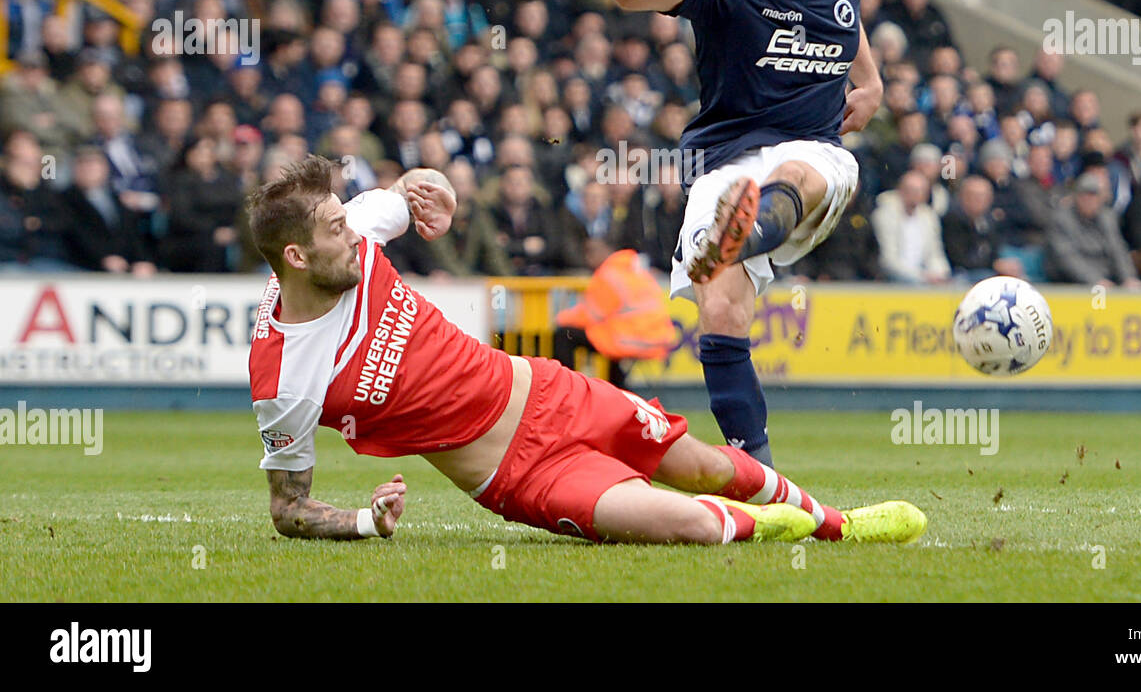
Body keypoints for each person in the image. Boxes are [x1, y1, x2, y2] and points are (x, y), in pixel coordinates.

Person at [245, 156, 926, 545]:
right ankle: (771, 528)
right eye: (336, 230)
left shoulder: (356, 233)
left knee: (709, 468)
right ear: (298, 257)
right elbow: (289, 509)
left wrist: (432, 189)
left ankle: (838, 527)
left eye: (346, 218)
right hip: (517, 475)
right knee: (686, 527)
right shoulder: (285, 379)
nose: (353, 234)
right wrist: (368, 522)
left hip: (553, 392)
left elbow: (402, 196)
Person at [610, 0, 882, 466]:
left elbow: (845, 17)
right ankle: (758, 472)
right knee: (722, 309)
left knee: (796, 173)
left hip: (814, 149)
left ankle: (742, 233)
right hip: (724, 160)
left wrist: (872, 82)